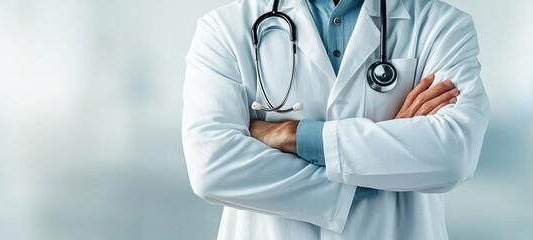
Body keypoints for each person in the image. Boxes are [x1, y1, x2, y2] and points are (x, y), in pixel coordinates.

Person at [181, 0, 489, 239]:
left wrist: (295, 135)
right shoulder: (224, 29)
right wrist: (385, 159)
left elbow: (452, 155)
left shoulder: (442, 26)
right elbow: (213, 168)